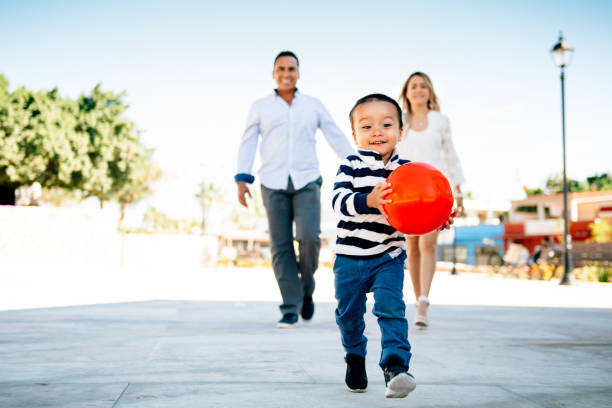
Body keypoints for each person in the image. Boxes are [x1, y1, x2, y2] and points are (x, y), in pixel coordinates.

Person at [332, 93, 454, 398]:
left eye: (386, 124)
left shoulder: (409, 170)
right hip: (350, 256)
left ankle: (396, 367)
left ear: (401, 132)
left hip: (388, 254)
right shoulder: (350, 166)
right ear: (355, 134)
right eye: (367, 126)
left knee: (391, 307)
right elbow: (338, 202)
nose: (377, 132)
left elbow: (423, 203)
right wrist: (367, 200)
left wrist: (439, 215)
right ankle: (354, 355)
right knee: (348, 315)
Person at [235, 51, 354, 328]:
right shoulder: (260, 106)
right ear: (273, 73)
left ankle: (306, 290)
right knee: (280, 245)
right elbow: (248, 141)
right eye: (281, 68)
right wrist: (242, 179)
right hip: (272, 182)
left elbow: (335, 134)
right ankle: (290, 306)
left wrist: (356, 165)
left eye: (291, 68)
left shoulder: (313, 105)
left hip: (307, 180)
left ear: (298, 73)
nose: (286, 73)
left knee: (309, 237)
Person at [397, 72, 465, 329]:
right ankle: (416, 299)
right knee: (411, 247)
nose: (418, 90)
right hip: (406, 192)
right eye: (413, 86)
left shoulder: (440, 121)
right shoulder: (399, 121)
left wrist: (457, 192)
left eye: (423, 86)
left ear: (430, 91)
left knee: (429, 244)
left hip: (434, 191)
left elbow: (450, 154)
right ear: (406, 92)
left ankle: (424, 301)